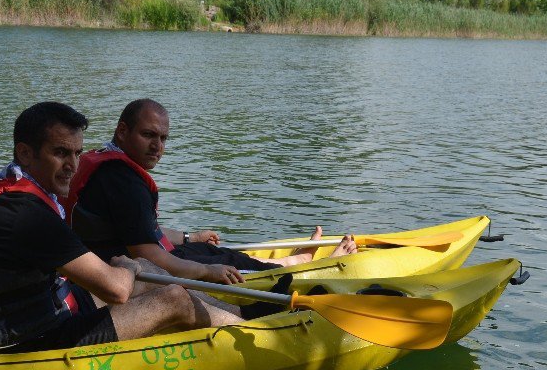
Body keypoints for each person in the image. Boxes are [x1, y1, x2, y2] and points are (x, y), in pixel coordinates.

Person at [0, 101, 243, 352]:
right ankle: (257, 335)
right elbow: (116, 291)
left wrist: (133, 267)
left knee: (149, 270)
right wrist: (124, 266)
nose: (73, 165)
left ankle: (243, 316)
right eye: (60, 153)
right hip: (31, 338)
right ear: (25, 152)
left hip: (26, 314)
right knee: (172, 297)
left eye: (76, 153)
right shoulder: (27, 214)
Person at [63, 98, 357, 285]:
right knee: (224, 265)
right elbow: (146, 252)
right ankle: (299, 266)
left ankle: (294, 260)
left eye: (164, 138)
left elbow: (139, 228)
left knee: (213, 250)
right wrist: (206, 273)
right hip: (129, 269)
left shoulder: (103, 161)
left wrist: (192, 237)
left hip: (132, 255)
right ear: (123, 131)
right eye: (148, 135)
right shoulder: (123, 180)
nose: (158, 147)